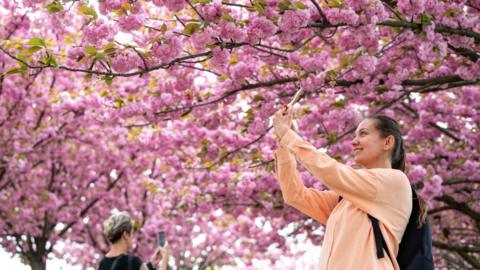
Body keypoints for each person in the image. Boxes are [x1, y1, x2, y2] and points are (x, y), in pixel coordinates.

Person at [272, 106, 427, 270]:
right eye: (355, 135)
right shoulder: (344, 201)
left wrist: (290, 138)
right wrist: (284, 144)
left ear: (387, 142)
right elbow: (295, 195)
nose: (354, 142)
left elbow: (332, 171)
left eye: (364, 134)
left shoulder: (395, 181)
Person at [98, 212, 169, 270]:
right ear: (125, 235)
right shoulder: (132, 262)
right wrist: (165, 259)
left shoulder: (103, 264)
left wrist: (151, 265)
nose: (132, 238)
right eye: (131, 234)